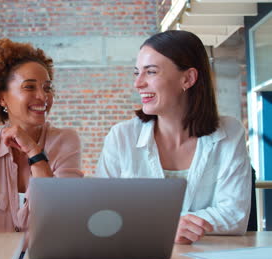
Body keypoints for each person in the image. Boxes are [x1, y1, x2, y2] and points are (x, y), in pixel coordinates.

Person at [96, 30, 251, 244]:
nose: (138, 83)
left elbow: (235, 215)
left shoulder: (230, 133)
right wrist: (166, 227)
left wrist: (157, 224)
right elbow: (103, 213)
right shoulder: (121, 137)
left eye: (150, 72)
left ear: (187, 78)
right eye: (136, 72)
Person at [0, 39, 83, 238]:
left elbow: (62, 217)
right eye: (30, 87)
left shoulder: (66, 141)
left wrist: (34, 152)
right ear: (1, 97)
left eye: (47, 88)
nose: (43, 96)